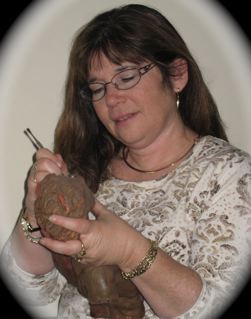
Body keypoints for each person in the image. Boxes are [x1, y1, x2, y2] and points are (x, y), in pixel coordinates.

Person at [1, 4, 251, 319]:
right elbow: (29, 288)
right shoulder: (87, 173)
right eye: (97, 88)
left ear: (176, 75)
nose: (111, 99)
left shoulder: (231, 176)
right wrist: (34, 212)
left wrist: (129, 251)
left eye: (127, 77)